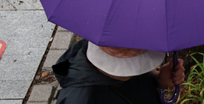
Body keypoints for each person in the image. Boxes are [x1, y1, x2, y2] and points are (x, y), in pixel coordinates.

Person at [53, 39, 185, 104]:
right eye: (130, 65)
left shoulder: (120, 72)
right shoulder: (79, 100)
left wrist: (159, 80)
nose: (135, 71)